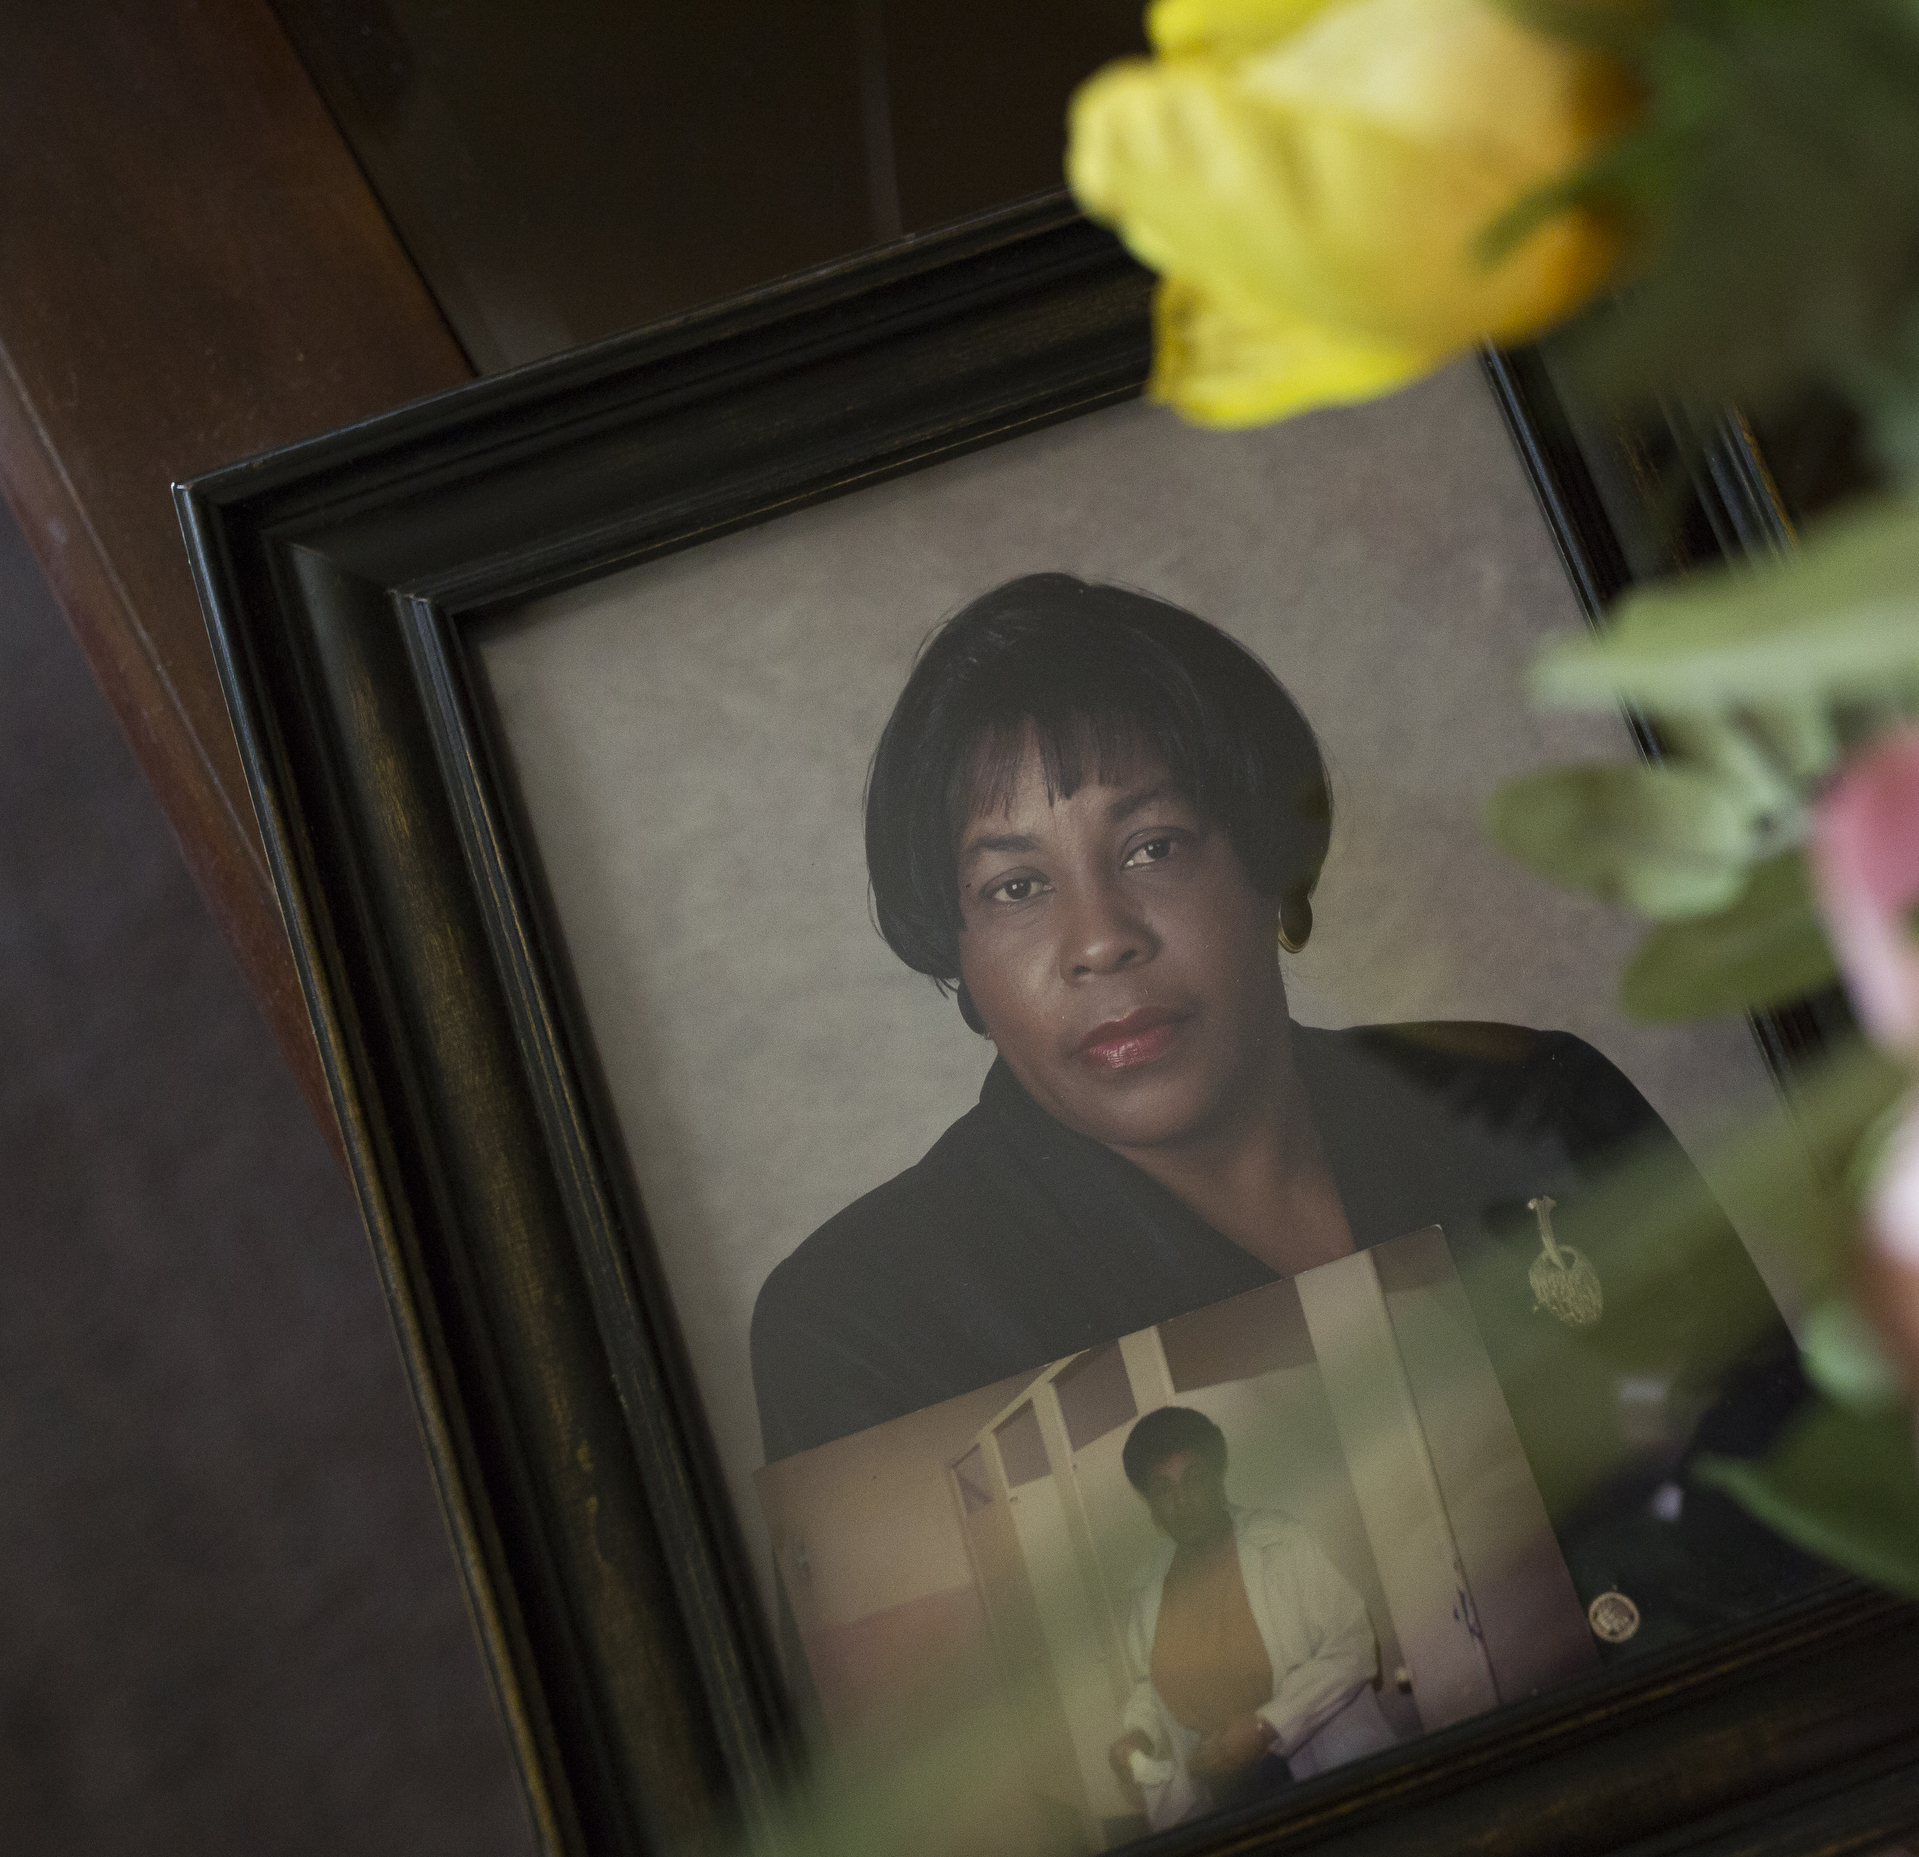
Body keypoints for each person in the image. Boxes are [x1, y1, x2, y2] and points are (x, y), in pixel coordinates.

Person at [750, 573, 1820, 1641]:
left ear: (1268, 863)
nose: (1100, 937)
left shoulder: (1537, 1105)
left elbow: (1818, 1524)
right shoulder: (862, 1324)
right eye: (1015, 888)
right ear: (958, 956)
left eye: (1152, 845)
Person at [1104, 1405, 1399, 1829]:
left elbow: (1353, 1648)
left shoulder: (1283, 1543)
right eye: (1164, 1489)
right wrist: (1140, 1733)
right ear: (1149, 1503)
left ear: (1219, 1479)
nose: (1182, 1501)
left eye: (1195, 1478)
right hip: (1220, 1792)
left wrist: (1267, 1727)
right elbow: (1151, 1684)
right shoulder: (1149, 1588)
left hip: (1306, 1766)